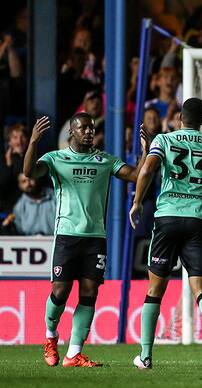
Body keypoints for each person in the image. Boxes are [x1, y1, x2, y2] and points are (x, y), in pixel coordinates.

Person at [23, 114, 150, 367]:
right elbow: (29, 171)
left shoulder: (105, 160)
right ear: (72, 131)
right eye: (83, 128)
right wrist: (34, 141)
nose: (89, 131)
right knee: (60, 292)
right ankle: (50, 335)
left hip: (95, 237)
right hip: (66, 235)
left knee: (89, 292)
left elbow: (138, 175)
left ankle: (73, 353)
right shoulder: (56, 158)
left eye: (92, 127)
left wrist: (146, 151)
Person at [129, 98, 202, 370]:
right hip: (197, 221)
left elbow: (147, 170)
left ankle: (146, 356)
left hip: (167, 217)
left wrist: (137, 202)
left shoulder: (164, 140)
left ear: (179, 118)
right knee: (201, 288)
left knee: (155, 289)